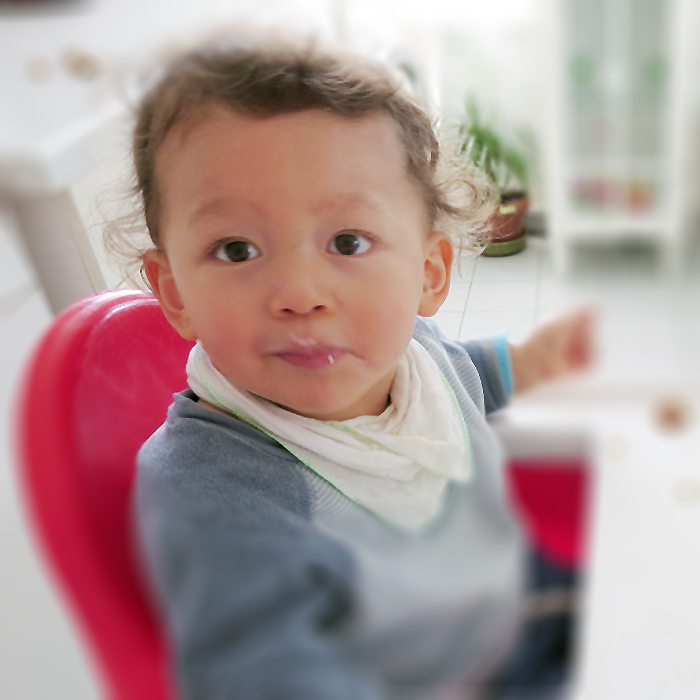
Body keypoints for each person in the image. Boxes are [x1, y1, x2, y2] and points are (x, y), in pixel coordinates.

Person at [130, 34, 594, 700]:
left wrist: (527, 362)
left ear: (429, 273)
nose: (300, 293)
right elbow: (268, 674)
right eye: (236, 249)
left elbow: (456, 378)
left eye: (347, 242)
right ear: (175, 293)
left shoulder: (410, 353)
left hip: (512, 601)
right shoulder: (214, 497)